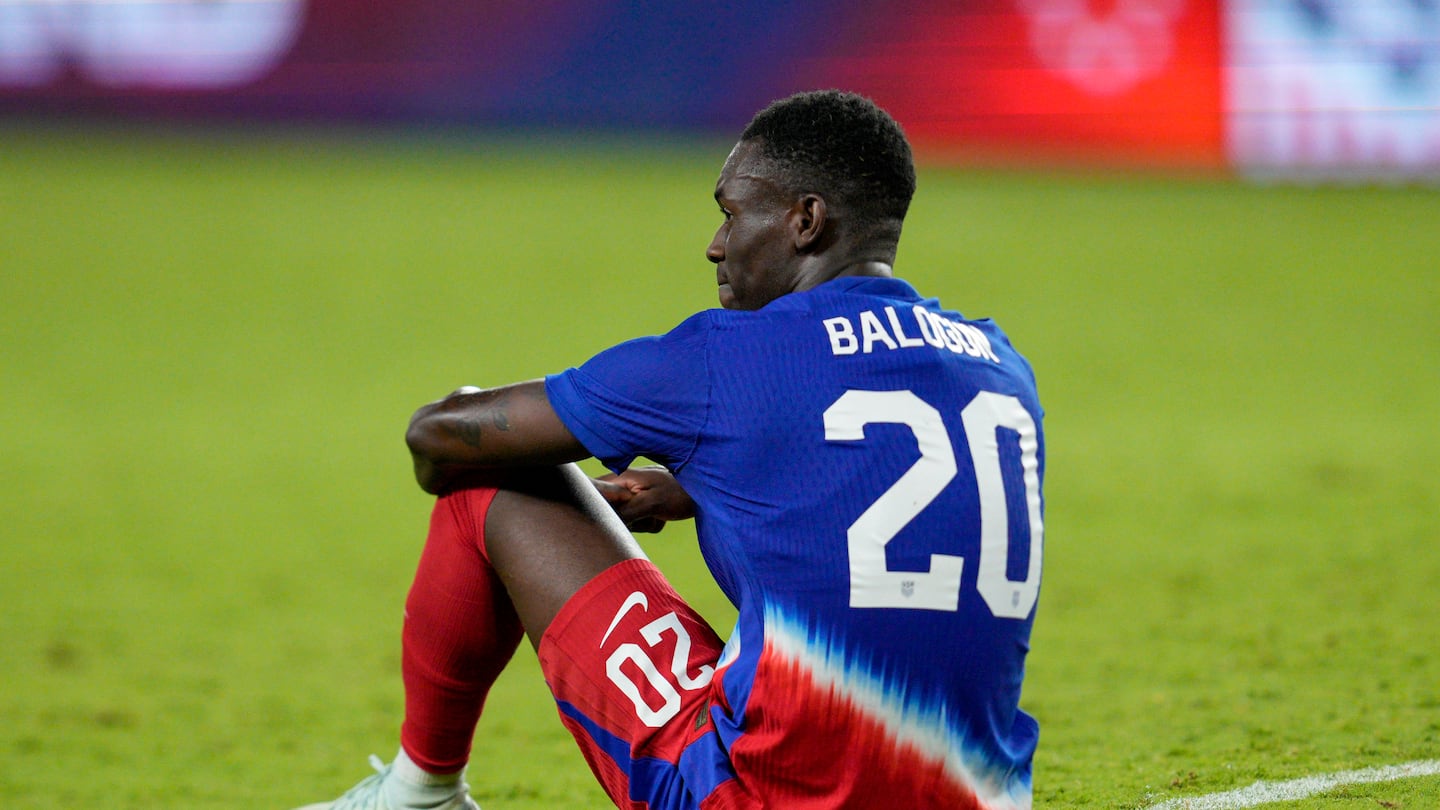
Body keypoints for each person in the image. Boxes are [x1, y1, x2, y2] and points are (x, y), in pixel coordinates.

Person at [295, 89, 1045, 810]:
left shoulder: (723, 359)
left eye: (731, 213)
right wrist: (700, 487)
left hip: (753, 797)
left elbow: (439, 438)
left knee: (489, 482)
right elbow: (895, 482)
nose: (715, 245)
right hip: (975, 795)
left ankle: (419, 793)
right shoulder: (1000, 364)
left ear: (805, 221)